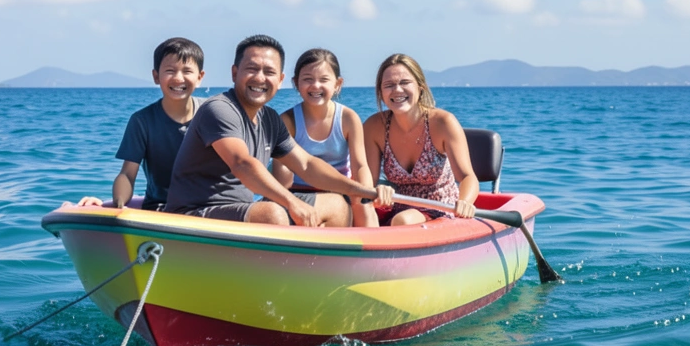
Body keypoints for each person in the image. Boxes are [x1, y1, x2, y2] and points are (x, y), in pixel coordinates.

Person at [165, 35, 391, 226]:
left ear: (281, 79)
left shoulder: (270, 119)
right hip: (194, 215)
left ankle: (320, 274)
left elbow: (307, 165)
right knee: (272, 214)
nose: (260, 78)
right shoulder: (219, 109)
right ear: (235, 73)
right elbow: (243, 164)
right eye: (252, 69)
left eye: (269, 72)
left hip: (239, 211)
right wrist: (292, 202)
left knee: (337, 205)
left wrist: (362, 191)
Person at [78, 37, 206, 210]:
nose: (178, 78)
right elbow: (127, 174)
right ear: (156, 76)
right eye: (170, 70)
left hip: (208, 207)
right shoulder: (142, 121)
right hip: (161, 208)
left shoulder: (212, 113)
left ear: (199, 77)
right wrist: (117, 203)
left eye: (186, 71)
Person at [362, 53, 479, 225]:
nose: (397, 90)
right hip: (398, 211)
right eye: (389, 85)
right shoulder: (374, 126)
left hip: (441, 211)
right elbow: (367, 183)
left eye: (404, 82)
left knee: (403, 220)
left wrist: (465, 203)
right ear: (381, 93)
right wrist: (377, 192)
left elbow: (468, 177)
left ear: (420, 87)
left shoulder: (443, 123)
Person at [271, 48, 379, 227]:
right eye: (307, 79)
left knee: (363, 206)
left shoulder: (348, 118)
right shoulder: (287, 121)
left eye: (324, 80)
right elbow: (282, 179)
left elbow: (360, 165)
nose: (315, 86)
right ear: (296, 83)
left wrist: (365, 195)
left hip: (342, 190)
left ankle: (373, 249)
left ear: (337, 84)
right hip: (301, 193)